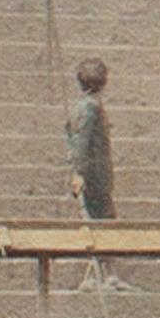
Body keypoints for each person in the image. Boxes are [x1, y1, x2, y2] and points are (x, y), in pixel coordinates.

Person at [66, 57, 130, 292]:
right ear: (103, 82)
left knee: (102, 223)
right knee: (101, 224)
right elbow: (81, 143)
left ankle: (104, 274)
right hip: (94, 178)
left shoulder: (84, 107)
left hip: (95, 176)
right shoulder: (90, 108)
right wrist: (78, 173)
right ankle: (98, 276)